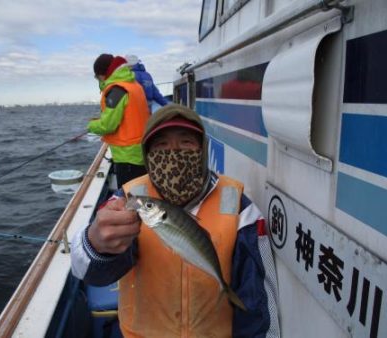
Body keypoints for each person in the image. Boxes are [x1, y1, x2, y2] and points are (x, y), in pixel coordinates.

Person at [71, 104, 280, 337]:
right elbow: (90, 273)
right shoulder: (129, 200)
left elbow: (259, 300)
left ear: (202, 149)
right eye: (161, 144)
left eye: (186, 142)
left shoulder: (240, 207)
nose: (174, 152)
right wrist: (97, 244)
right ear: (148, 154)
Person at [89, 53, 150, 188]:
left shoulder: (117, 90)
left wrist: (91, 125)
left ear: (102, 75)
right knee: (139, 193)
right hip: (141, 151)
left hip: (127, 157)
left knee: (128, 198)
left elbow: (107, 125)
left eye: (97, 77)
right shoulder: (134, 85)